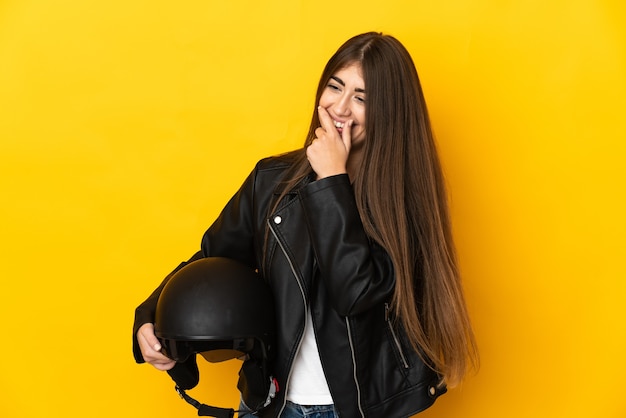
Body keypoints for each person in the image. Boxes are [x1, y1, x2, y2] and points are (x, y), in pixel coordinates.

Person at [133, 31, 479, 418]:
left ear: (389, 112)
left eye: (362, 98)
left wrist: (332, 181)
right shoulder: (271, 180)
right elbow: (213, 260)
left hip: (357, 409)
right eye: (336, 87)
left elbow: (355, 292)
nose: (341, 108)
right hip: (271, 403)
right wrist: (150, 316)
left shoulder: (401, 203)